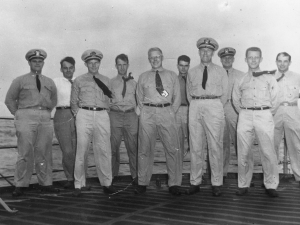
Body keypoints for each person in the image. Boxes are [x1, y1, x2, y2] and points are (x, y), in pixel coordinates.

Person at [5, 49, 59, 197]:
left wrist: (46, 111)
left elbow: (54, 99)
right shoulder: (20, 80)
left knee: (44, 152)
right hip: (25, 115)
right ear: (29, 62)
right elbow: (9, 99)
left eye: (40, 61)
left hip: (45, 116)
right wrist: (18, 114)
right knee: (25, 152)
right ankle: (21, 184)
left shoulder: (49, 82)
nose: (37, 63)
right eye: (34, 61)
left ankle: (46, 183)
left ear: (43, 63)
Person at [232, 47, 279, 197]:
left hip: (264, 114)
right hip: (245, 114)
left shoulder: (269, 78)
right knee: (243, 152)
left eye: (256, 57)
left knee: (268, 151)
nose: (253, 60)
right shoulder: (240, 79)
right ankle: (243, 184)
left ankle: (271, 185)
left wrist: (265, 113)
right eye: (250, 57)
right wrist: (245, 113)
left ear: (261, 59)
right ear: (245, 60)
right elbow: (235, 99)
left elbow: (276, 99)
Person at [135, 47, 182, 195]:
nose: (155, 60)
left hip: (166, 112)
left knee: (172, 148)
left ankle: (174, 183)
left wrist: (169, 112)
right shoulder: (143, 77)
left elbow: (177, 98)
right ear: (149, 59)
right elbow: (139, 98)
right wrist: (146, 112)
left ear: (162, 57)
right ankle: (142, 182)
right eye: (151, 57)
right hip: (147, 113)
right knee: (144, 149)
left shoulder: (172, 75)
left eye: (157, 57)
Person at [186, 37, 228, 197]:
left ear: (213, 53)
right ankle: (195, 181)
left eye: (208, 51)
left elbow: (224, 94)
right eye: (202, 50)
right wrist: (197, 104)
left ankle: (216, 183)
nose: (205, 53)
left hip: (214, 104)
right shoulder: (192, 72)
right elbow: (189, 94)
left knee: (215, 146)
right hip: (196, 105)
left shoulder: (220, 71)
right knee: (195, 145)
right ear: (199, 52)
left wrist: (214, 105)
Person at [70, 49, 115, 197]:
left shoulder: (107, 80)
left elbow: (110, 99)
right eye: (91, 63)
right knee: (81, 149)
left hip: (102, 114)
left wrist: (103, 112)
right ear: (86, 64)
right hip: (84, 113)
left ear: (99, 63)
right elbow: (73, 101)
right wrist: (79, 114)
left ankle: (107, 182)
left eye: (96, 63)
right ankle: (79, 183)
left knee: (104, 149)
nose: (94, 65)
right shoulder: (79, 80)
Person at [109, 54, 138, 184]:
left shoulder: (135, 83)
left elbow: (140, 102)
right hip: (115, 115)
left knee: (133, 147)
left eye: (124, 64)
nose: (122, 67)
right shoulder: (110, 83)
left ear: (128, 65)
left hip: (131, 115)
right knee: (113, 148)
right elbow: (106, 101)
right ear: (116, 66)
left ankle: (136, 177)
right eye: (119, 65)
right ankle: (112, 176)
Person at [217, 47, 244, 179]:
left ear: (233, 59)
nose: (227, 60)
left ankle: (245, 175)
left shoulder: (241, 75)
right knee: (222, 143)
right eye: (224, 58)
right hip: (220, 109)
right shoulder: (215, 73)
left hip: (235, 110)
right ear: (221, 59)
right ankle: (221, 174)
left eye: (229, 57)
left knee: (240, 143)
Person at [273, 52, 300, 185]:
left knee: (296, 146)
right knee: (272, 146)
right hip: (275, 112)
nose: (282, 64)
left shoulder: (297, 77)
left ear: (289, 62)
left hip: (292, 112)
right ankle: (271, 178)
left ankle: (299, 176)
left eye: (285, 61)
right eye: (279, 61)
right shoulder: (270, 77)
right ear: (276, 62)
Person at [53, 57, 77, 189]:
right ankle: (70, 178)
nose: (68, 70)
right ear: (61, 69)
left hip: (78, 115)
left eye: (70, 68)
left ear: (74, 68)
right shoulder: (55, 82)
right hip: (62, 114)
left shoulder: (79, 81)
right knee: (67, 150)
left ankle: (80, 179)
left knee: (79, 149)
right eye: (65, 68)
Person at [176, 55, 191, 162]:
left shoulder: (193, 80)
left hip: (190, 110)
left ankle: (197, 174)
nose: (183, 68)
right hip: (177, 111)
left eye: (186, 66)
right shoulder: (174, 80)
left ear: (189, 66)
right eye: (181, 65)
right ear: (177, 66)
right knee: (177, 141)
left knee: (193, 140)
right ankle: (178, 172)